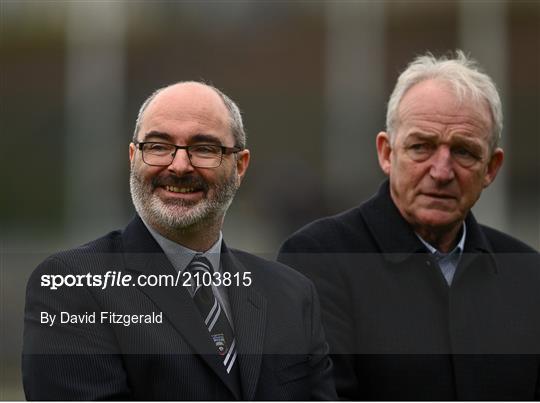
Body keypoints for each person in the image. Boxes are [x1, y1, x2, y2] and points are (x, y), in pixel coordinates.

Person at [23, 81, 336, 400]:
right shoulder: (72, 287)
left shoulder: (292, 296)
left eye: (204, 148)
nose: (180, 166)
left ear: (240, 166)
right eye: (158, 146)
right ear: (134, 157)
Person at [278, 51, 540, 400]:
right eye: (422, 147)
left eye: (463, 152)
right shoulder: (317, 259)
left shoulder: (526, 275)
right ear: (387, 154)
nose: (442, 171)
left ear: (491, 168)